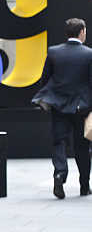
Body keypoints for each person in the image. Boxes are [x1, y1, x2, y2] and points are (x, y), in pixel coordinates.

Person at [33, 18, 92, 199]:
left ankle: (59, 175)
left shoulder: (53, 52)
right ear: (81, 32)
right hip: (81, 107)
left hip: (58, 106)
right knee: (82, 147)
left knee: (59, 142)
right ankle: (84, 185)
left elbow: (46, 79)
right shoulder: (89, 54)